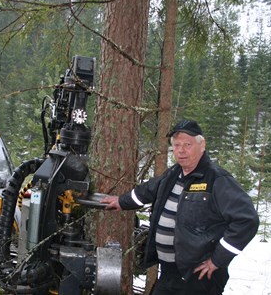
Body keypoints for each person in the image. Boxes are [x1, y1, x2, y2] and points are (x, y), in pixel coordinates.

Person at [101, 119, 259, 295]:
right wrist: (121, 202)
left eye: (187, 144)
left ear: (202, 145)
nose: (181, 150)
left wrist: (217, 260)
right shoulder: (174, 174)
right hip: (169, 273)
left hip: (199, 278)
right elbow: (147, 191)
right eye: (176, 145)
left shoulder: (217, 179)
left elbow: (247, 221)